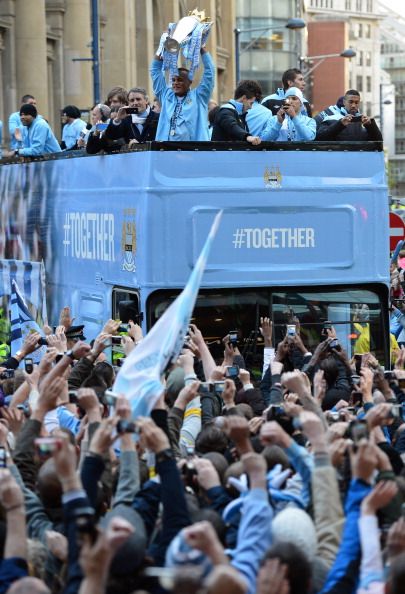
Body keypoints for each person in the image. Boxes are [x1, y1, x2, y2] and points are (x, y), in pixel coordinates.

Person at [150, 45, 215, 141]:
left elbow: (210, 73)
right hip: (166, 150)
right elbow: (155, 71)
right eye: (173, 80)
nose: (175, 83)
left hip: (194, 151)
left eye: (180, 80)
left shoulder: (199, 96)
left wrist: (201, 49)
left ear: (190, 82)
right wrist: (162, 46)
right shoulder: (166, 95)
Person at [316, 89, 383, 141]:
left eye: (356, 102)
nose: (353, 105)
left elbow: (379, 141)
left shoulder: (364, 121)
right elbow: (319, 138)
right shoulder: (330, 118)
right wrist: (340, 124)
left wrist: (371, 126)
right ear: (344, 102)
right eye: (350, 102)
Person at [211, 80, 262, 144]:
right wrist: (247, 137)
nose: (250, 107)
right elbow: (231, 126)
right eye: (251, 103)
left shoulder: (237, 113)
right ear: (244, 98)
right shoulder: (225, 111)